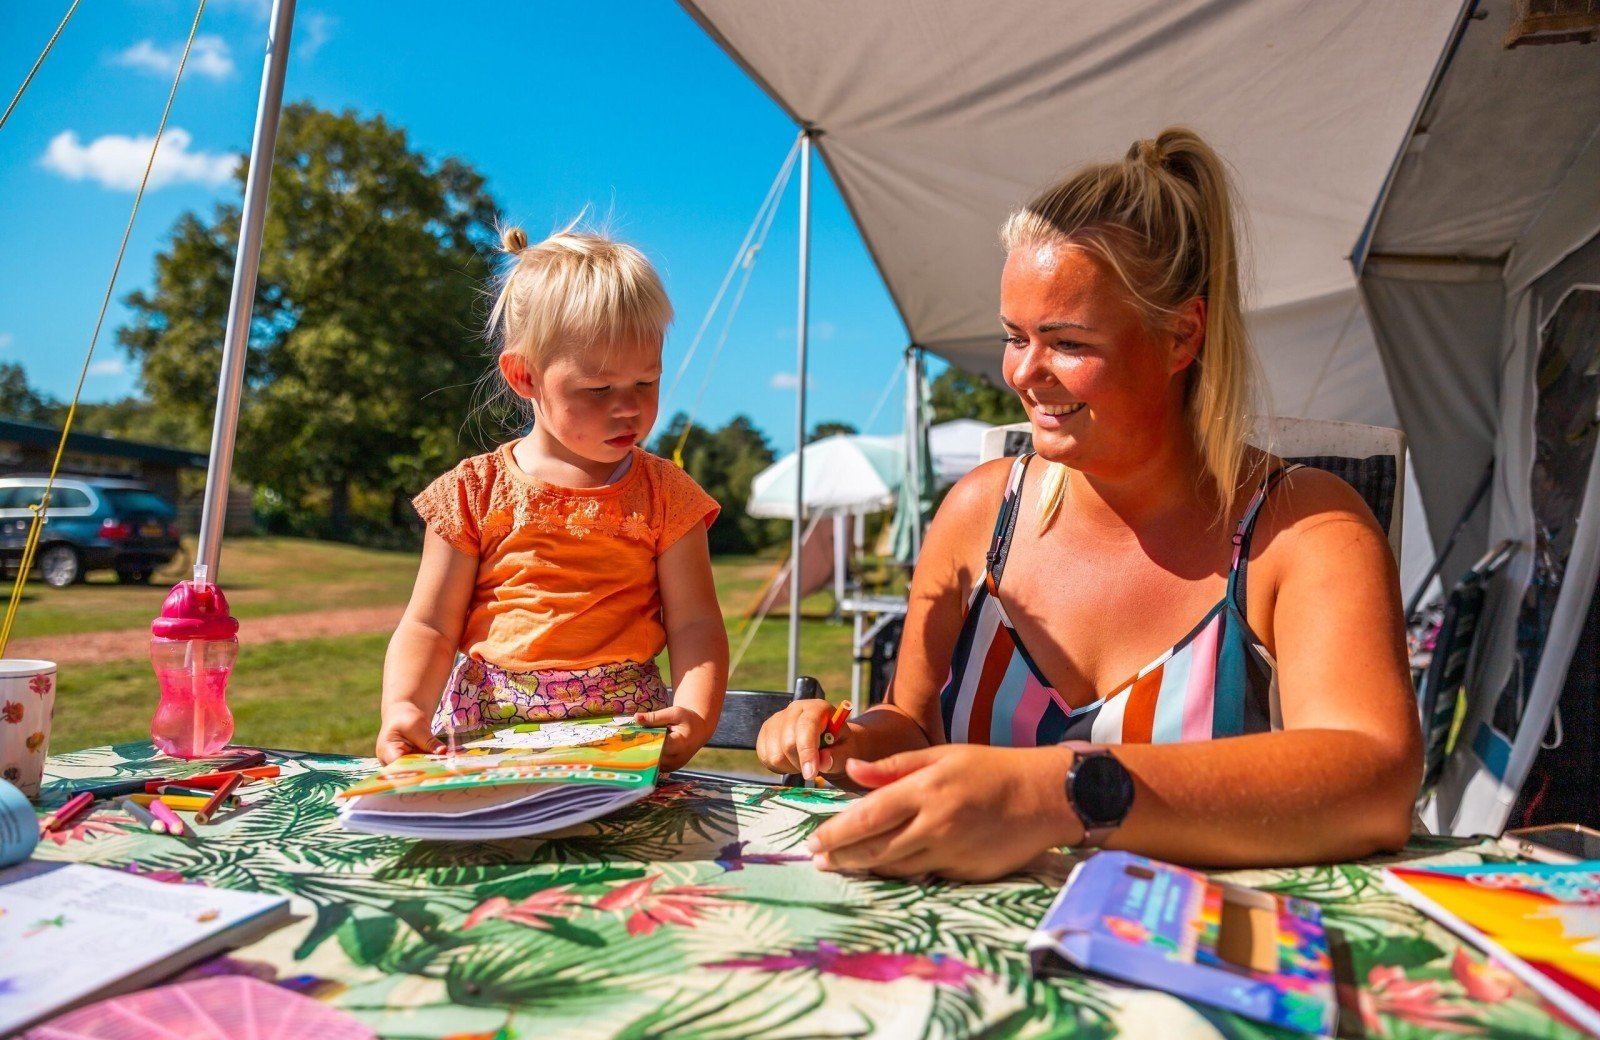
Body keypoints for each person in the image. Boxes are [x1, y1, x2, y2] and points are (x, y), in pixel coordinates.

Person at [757, 128, 1421, 879]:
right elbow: (910, 724)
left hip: (1200, 967)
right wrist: (846, 739)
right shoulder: (980, 512)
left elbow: (1373, 777)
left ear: (1180, 336)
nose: (1025, 373)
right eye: (1014, 337)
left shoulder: (1301, 528)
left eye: (1067, 343)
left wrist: (1058, 792)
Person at [377, 224, 727, 771]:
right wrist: (403, 707)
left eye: (647, 382)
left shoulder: (666, 497)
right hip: (485, 736)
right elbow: (430, 625)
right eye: (598, 389)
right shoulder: (473, 493)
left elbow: (696, 624)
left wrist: (696, 711)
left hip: (623, 736)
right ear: (524, 375)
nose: (629, 408)